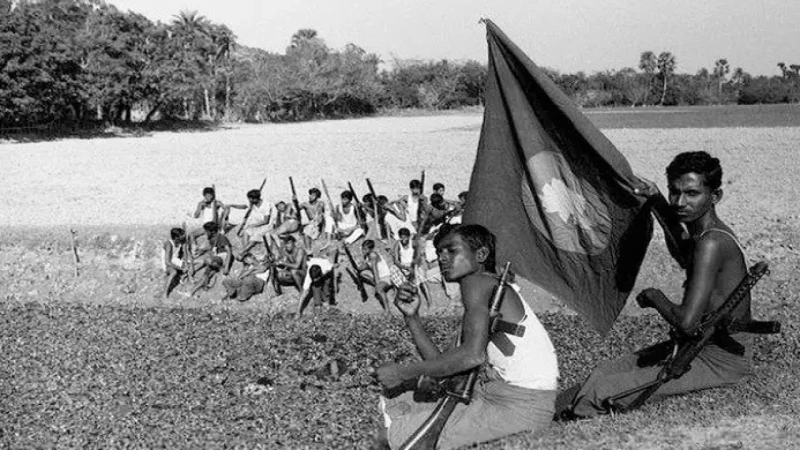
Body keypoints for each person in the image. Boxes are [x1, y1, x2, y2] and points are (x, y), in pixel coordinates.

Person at [557, 151, 756, 419]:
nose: (681, 201)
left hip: (720, 359)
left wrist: (655, 297)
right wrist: (657, 200)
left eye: (692, 193)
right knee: (602, 373)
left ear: (715, 196)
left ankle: (560, 423)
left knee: (602, 391)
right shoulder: (704, 237)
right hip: (697, 346)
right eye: (674, 192)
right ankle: (544, 414)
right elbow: (683, 251)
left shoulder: (711, 243)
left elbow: (686, 322)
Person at [376, 224, 559, 449]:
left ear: (481, 255)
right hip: (505, 401)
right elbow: (445, 366)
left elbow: (471, 357)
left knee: (386, 437)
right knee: (396, 401)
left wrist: (402, 372)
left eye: (451, 251)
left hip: (518, 406)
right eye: (439, 251)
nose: (442, 257)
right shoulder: (486, 299)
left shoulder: (478, 283)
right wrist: (412, 317)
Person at [191, 221, 233, 296]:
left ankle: (220, 269)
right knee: (204, 276)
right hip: (216, 258)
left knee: (207, 260)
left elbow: (229, 251)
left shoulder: (221, 237)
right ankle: (191, 293)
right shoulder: (211, 239)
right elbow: (211, 248)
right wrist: (201, 251)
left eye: (206, 232)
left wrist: (226, 267)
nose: (205, 233)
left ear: (212, 231)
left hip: (223, 256)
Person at [229, 189, 271, 257]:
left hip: (264, 225)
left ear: (255, 199)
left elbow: (266, 221)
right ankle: (245, 249)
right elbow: (245, 207)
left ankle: (244, 251)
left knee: (256, 235)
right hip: (256, 224)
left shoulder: (266, 205)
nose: (249, 201)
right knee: (246, 231)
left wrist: (253, 225)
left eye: (251, 199)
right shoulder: (253, 204)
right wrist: (232, 205)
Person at [358, 239, 395, 313]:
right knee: (363, 273)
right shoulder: (368, 256)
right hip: (380, 276)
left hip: (385, 277)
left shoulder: (373, 255)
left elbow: (375, 270)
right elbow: (364, 266)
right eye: (363, 248)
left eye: (365, 249)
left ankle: (387, 310)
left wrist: (378, 283)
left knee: (379, 290)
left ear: (371, 249)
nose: (364, 251)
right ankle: (380, 286)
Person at [163, 227, 188, 299]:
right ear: (176, 237)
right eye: (181, 236)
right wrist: (180, 268)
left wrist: (185, 263)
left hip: (176, 260)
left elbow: (185, 253)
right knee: (173, 272)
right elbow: (167, 261)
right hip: (168, 263)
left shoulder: (180, 242)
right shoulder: (169, 244)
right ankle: (165, 293)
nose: (183, 237)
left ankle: (183, 279)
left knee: (190, 265)